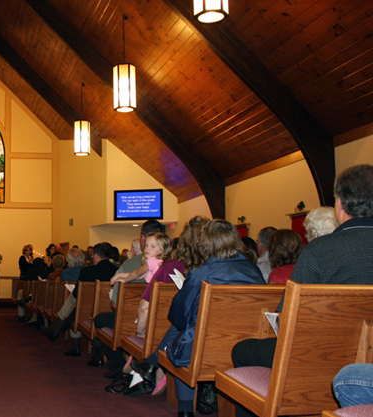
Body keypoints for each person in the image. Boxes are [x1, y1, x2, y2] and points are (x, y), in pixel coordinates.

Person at [231, 164, 373, 417]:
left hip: (318, 354)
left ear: (339, 205)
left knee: (241, 350)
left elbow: (287, 319)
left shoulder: (320, 250)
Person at [128, 220, 264, 417]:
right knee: (191, 332)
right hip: (246, 345)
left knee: (186, 336)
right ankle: (152, 363)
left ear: (205, 244)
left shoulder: (201, 273)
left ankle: (184, 408)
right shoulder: (254, 271)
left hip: (203, 350)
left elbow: (178, 316)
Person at [101, 232, 185, 395]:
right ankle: (143, 371)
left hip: (154, 318)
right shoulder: (182, 266)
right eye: (146, 245)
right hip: (173, 323)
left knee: (139, 328)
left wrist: (139, 332)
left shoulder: (155, 263)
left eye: (152, 246)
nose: (147, 248)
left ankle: (141, 368)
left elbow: (141, 298)